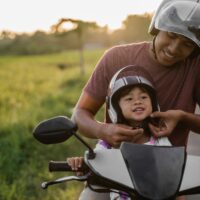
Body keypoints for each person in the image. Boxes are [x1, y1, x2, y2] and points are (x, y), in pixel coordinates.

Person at [72, 0, 200, 148]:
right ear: (156, 28)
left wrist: (183, 118)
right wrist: (103, 130)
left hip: (171, 168)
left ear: (195, 51)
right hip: (113, 165)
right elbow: (80, 113)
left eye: (187, 44)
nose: (174, 49)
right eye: (171, 35)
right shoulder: (116, 57)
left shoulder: (195, 67)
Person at [68, 70, 171, 200]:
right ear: (116, 108)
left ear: (153, 103)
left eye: (144, 97)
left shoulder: (159, 140)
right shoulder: (108, 143)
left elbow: (172, 171)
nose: (138, 101)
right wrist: (83, 165)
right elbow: (97, 167)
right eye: (129, 98)